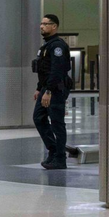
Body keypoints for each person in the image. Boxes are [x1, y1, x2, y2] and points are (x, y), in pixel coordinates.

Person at [34, 14, 71, 170]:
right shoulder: (47, 45)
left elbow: (56, 70)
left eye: (46, 24)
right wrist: (39, 87)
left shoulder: (57, 46)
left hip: (55, 89)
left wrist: (48, 90)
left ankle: (60, 158)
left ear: (54, 26)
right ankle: (53, 150)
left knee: (57, 124)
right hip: (46, 88)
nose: (42, 26)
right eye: (41, 23)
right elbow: (44, 69)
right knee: (38, 118)